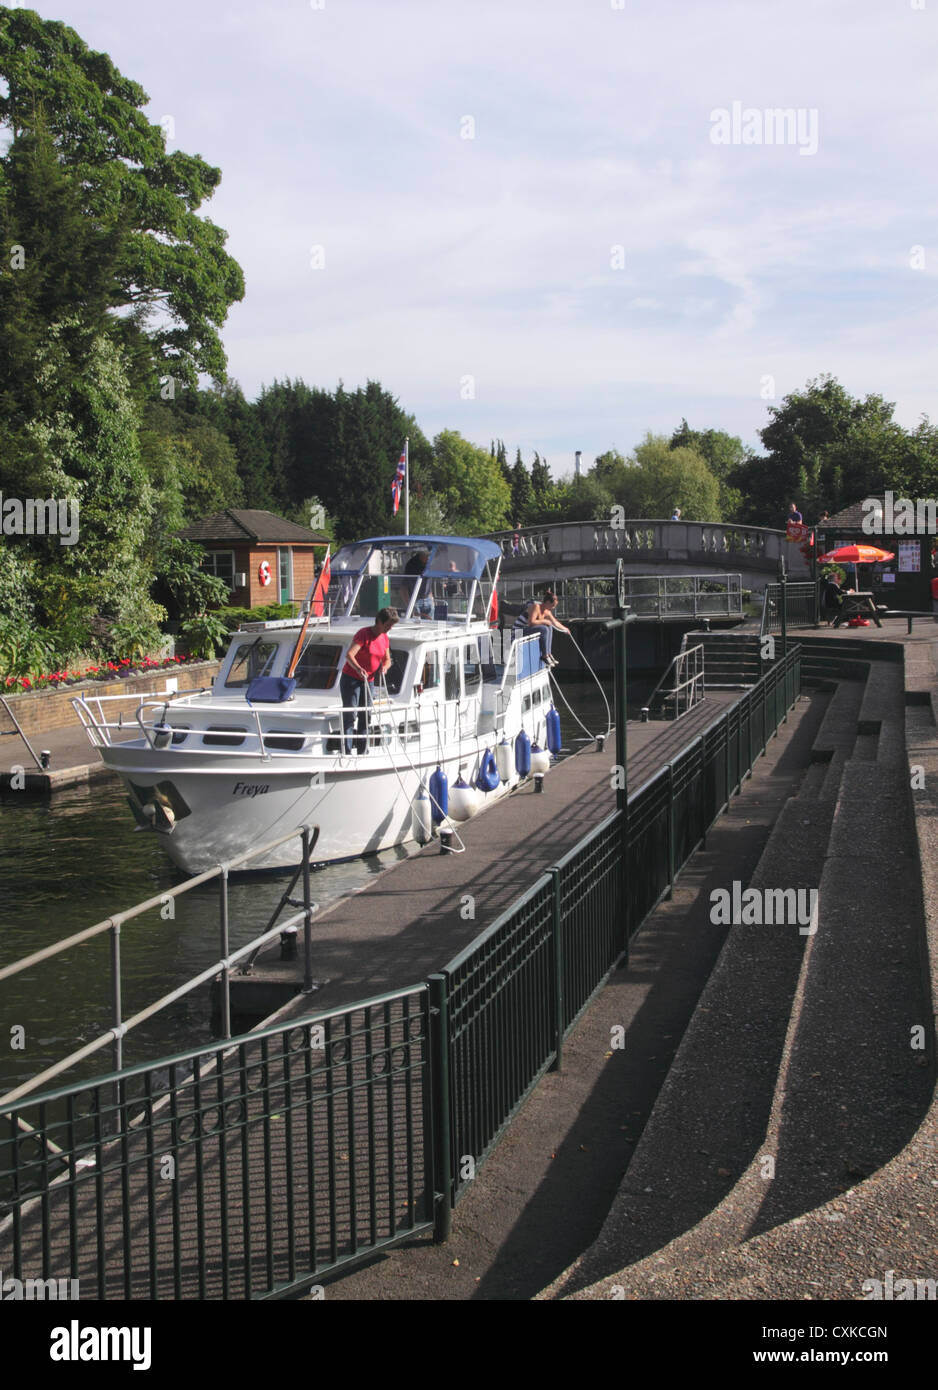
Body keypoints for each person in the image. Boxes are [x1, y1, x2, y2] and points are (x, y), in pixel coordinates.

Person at [339, 607, 399, 752]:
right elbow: (349, 655)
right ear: (379, 622)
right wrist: (359, 669)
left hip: (369, 681)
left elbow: (387, 660)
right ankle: (347, 751)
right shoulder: (364, 634)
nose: (389, 628)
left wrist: (384, 667)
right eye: (387, 625)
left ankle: (363, 750)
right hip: (351, 679)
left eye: (391, 626)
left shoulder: (384, 638)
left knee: (366, 715)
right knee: (351, 715)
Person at [511, 590, 570, 667]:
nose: (553, 608)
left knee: (549, 626)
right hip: (518, 632)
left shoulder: (547, 611)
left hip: (526, 629)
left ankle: (548, 654)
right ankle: (544, 656)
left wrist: (565, 629)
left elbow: (555, 623)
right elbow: (531, 622)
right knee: (544, 628)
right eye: (553, 605)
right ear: (548, 602)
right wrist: (544, 621)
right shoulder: (536, 607)